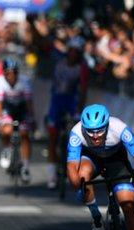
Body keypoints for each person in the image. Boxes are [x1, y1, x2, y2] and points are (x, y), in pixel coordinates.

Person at [66, 104, 134, 230]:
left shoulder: (119, 127)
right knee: (82, 175)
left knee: (128, 204)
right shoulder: (76, 132)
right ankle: (96, 216)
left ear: (107, 126)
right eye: (91, 132)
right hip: (92, 158)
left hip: (116, 161)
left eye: (100, 131)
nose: (95, 136)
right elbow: (72, 165)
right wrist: (78, 185)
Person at [46, 37, 89, 189]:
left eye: (76, 52)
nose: (72, 54)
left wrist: (79, 111)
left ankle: (74, 167)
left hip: (72, 101)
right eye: (70, 51)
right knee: (52, 135)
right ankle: (51, 174)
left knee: (76, 135)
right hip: (57, 100)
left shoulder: (82, 67)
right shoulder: (59, 62)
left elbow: (83, 90)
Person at [0, 58, 34, 183]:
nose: (11, 76)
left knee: (25, 134)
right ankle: (6, 149)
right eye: (8, 73)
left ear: (18, 73)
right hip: (8, 108)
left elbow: (28, 103)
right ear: (4, 73)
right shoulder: (0, 81)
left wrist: (31, 118)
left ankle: (26, 167)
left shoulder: (24, 81)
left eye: (14, 73)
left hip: (21, 109)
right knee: (6, 130)